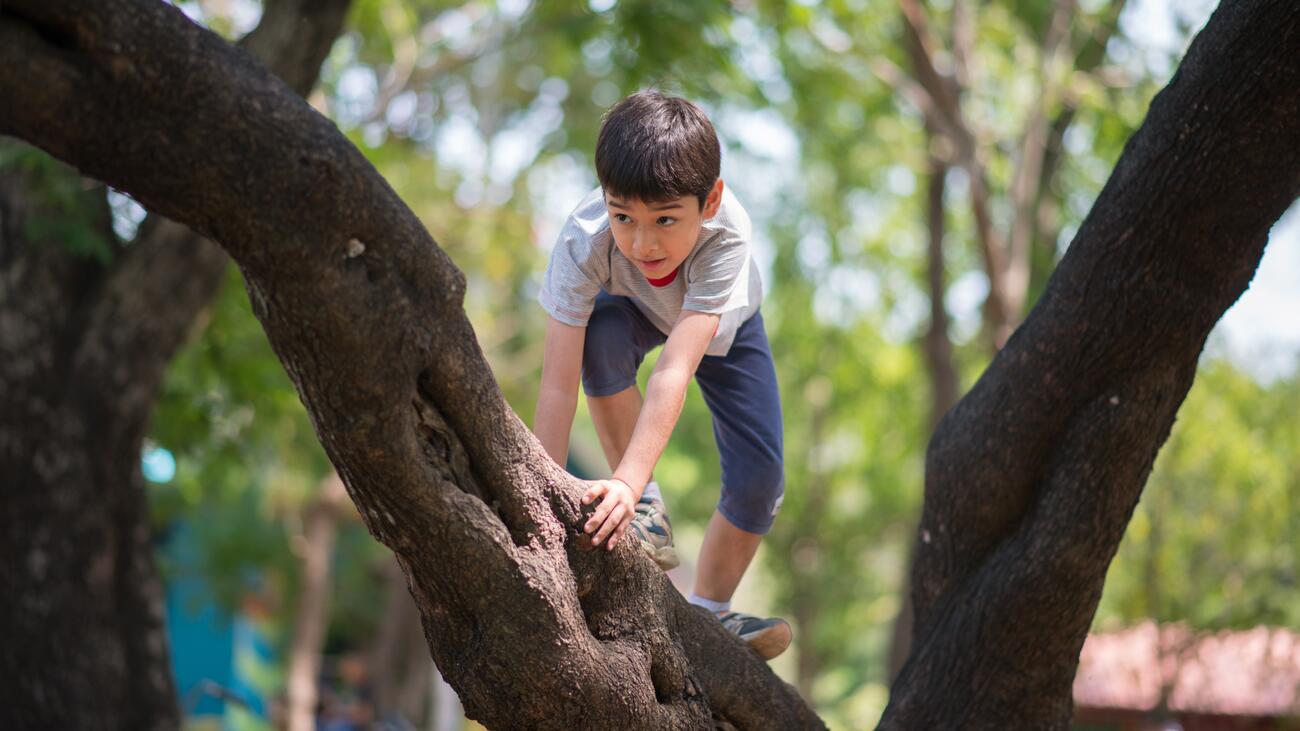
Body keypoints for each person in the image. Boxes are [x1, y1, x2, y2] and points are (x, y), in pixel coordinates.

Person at [532, 89, 790, 660]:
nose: (642, 242)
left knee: (760, 481)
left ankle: (711, 609)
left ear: (711, 200)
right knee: (599, 340)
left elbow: (675, 369)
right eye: (623, 217)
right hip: (631, 312)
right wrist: (541, 493)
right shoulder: (584, 241)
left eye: (666, 220)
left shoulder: (728, 238)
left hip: (725, 328)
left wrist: (618, 482)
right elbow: (557, 382)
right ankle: (647, 506)